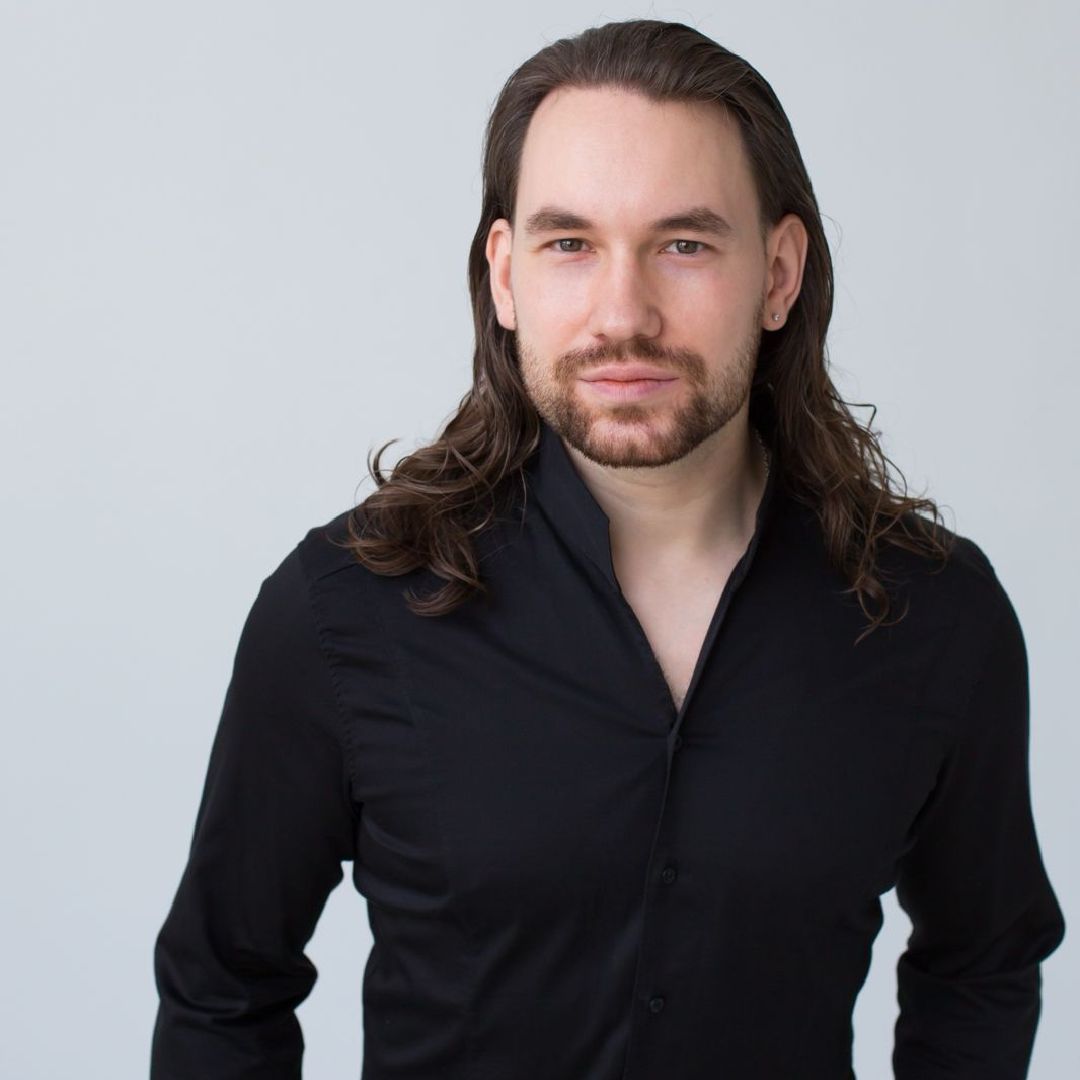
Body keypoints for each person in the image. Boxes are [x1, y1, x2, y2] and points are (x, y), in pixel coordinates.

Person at [149, 18, 1065, 1079]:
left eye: (684, 244)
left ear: (778, 273)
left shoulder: (936, 617)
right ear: (505, 276)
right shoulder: (342, 609)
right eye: (570, 244)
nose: (623, 314)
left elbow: (983, 962)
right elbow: (222, 992)